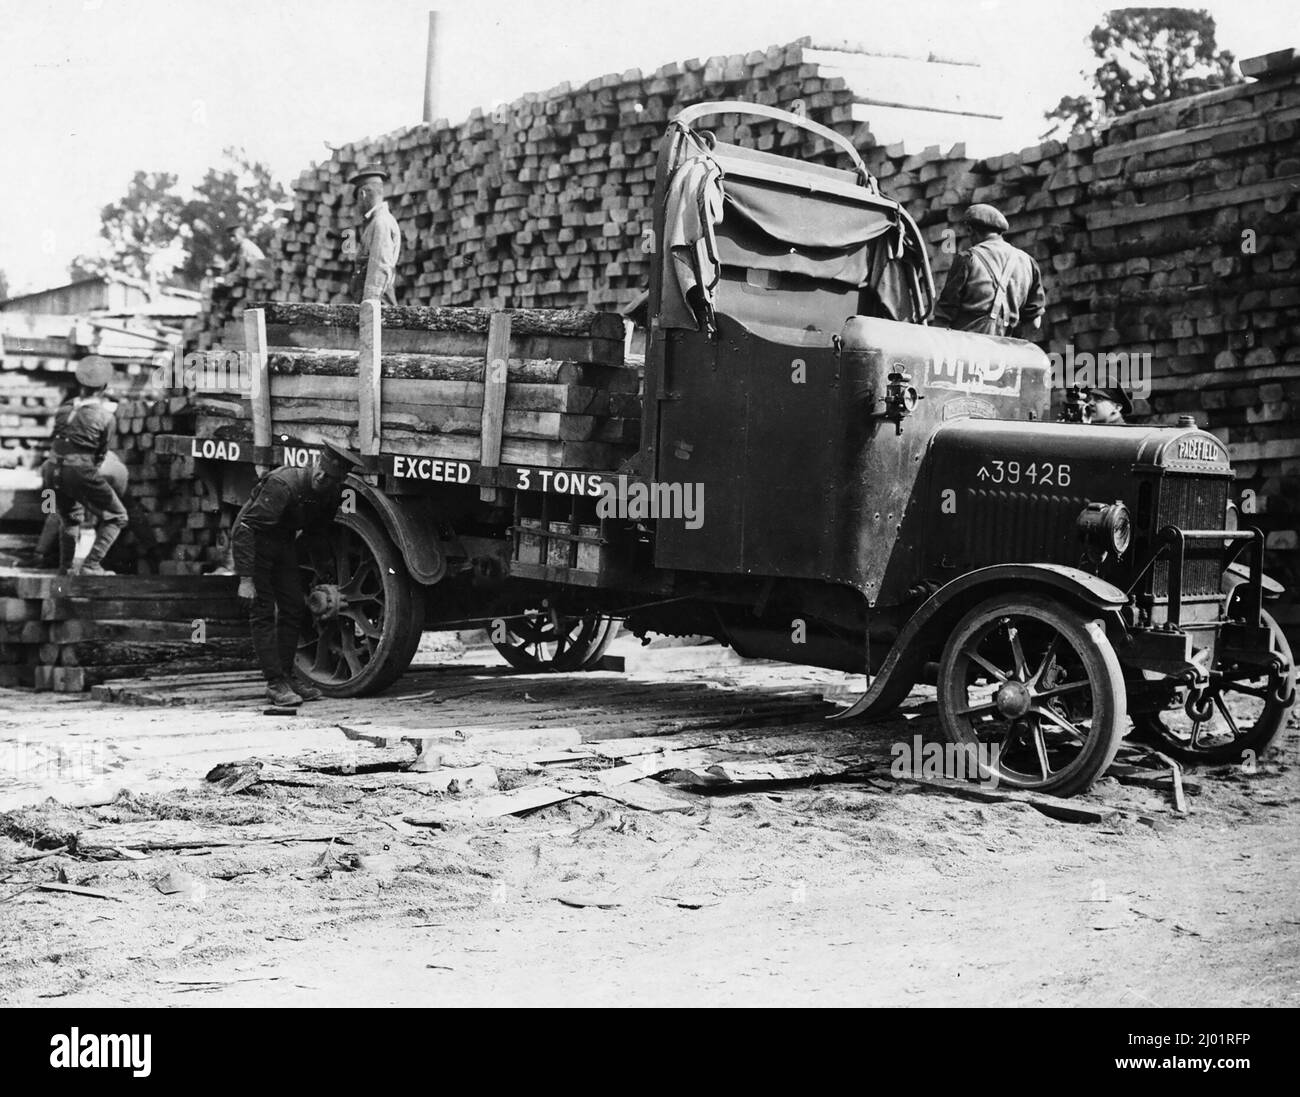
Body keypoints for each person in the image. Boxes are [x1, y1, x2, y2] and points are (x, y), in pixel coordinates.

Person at [232, 441, 363, 706]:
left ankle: (288, 676)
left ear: (339, 480)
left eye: (329, 478)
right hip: (256, 543)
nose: (321, 479)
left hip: (283, 542)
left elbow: (317, 533)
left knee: (294, 607)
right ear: (315, 465)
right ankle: (274, 683)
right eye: (320, 472)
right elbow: (245, 529)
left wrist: (325, 570)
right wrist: (246, 579)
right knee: (263, 612)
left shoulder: (330, 493)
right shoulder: (284, 484)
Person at [42, 356, 128, 575]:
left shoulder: (64, 409)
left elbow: (58, 439)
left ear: (80, 383)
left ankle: (66, 569)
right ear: (105, 387)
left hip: (51, 469)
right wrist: (89, 477)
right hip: (79, 470)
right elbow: (100, 454)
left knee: (69, 519)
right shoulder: (105, 417)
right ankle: (91, 565)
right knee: (117, 517)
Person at [933, 204, 1046, 338]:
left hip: (967, 350)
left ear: (970, 230)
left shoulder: (968, 259)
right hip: (1006, 350)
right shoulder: (1029, 262)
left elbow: (943, 317)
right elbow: (1034, 323)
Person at [29, 450, 128, 570]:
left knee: (64, 514)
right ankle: (92, 564)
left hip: (102, 471)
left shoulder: (51, 467)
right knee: (114, 517)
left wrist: (40, 552)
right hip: (102, 471)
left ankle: (52, 559)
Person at [347, 166, 401, 305]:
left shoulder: (380, 222)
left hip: (378, 306)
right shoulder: (375, 222)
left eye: (357, 200)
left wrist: (370, 306)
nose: (358, 206)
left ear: (362, 194)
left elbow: (379, 267)